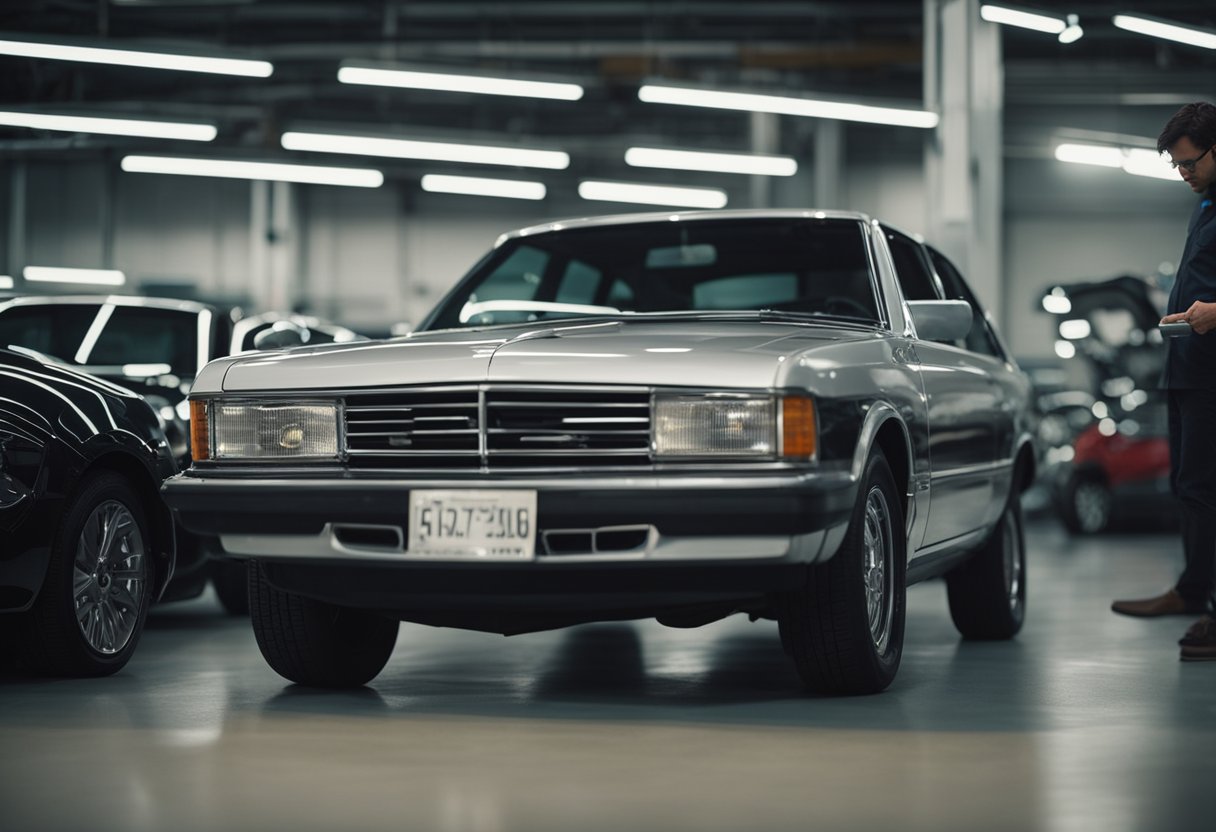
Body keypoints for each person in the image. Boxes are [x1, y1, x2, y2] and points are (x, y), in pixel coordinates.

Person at [1110, 101, 1216, 662]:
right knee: (1188, 488)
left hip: (1212, 372)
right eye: (1177, 165)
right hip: (1188, 370)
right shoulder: (1204, 205)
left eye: (1191, 162)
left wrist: (1213, 313)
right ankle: (1193, 591)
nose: (1185, 173)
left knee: (1207, 491)